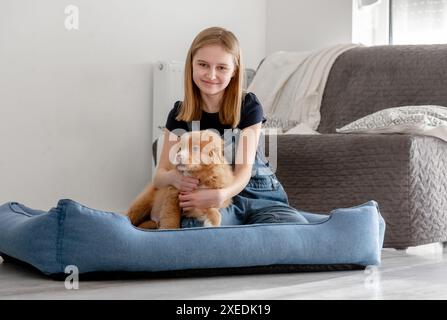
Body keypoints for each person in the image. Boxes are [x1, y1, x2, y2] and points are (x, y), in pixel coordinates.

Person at [153, 26, 309, 227]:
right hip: (208, 200)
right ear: (191, 64)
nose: (211, 75)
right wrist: (174, 177)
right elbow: (159, 176)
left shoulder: (248, 105)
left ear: (234, 70)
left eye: (221, 67)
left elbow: (243, 173)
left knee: (292, 230)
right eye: (203, 65)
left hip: (258, 195)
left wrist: (220, 194)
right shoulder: (179, 114)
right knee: (197, 230)